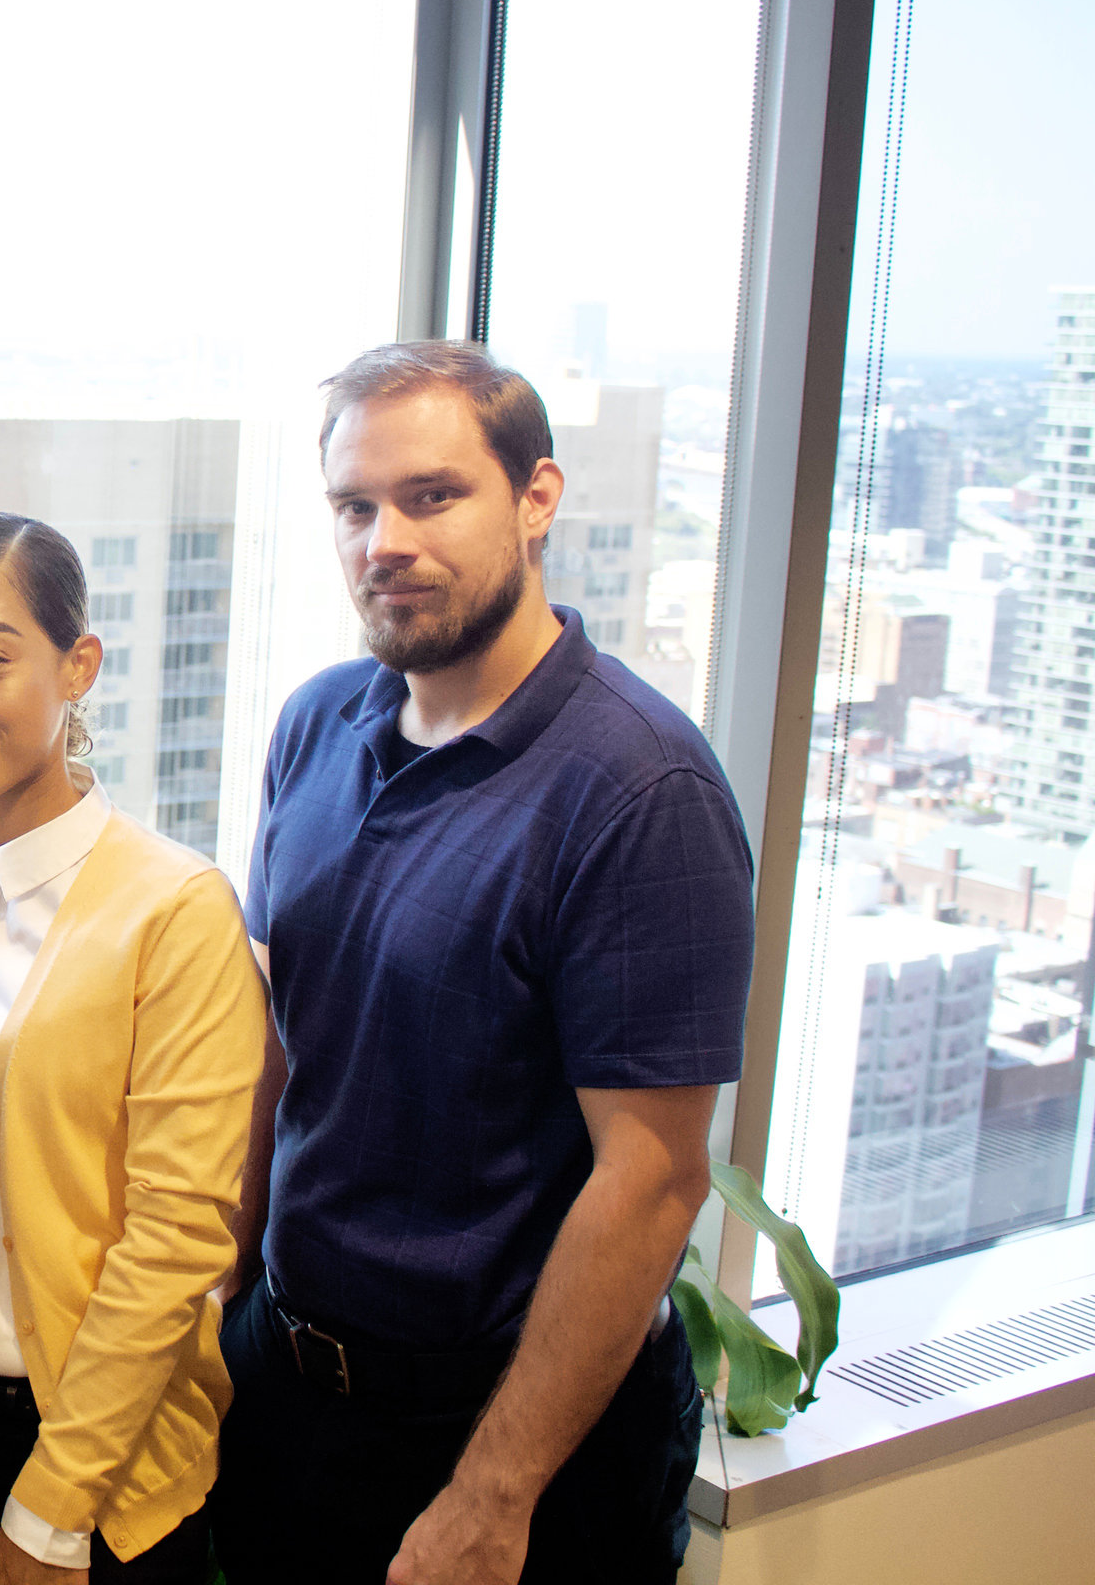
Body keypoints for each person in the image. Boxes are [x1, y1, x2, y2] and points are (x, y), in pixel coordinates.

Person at [208, 341, 755, 1585]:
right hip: (294, 1386)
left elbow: (652, 1178)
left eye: (432, 496)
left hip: (508, 1442)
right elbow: (285, 1043)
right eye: (356, 506)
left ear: (537, 499)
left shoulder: (641, 790)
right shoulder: (318, 723)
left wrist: (492, 1495)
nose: (383, 540)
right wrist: (220, 1310)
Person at [0, 513, 267, 1585]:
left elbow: (178, 1237)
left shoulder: (174, 907)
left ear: (79, 665)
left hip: (90, 1449)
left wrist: (50, 1509)